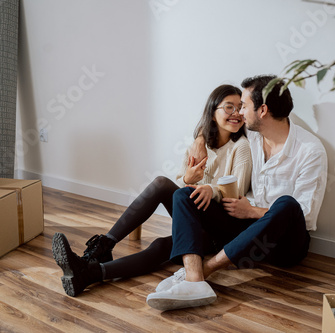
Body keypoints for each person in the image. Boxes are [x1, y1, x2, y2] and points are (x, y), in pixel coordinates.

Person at [146, 75, 328, 311]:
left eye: (244, 106)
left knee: (287, 204)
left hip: (284, 246)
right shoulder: (251, 135)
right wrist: (199, 139)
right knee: (184, 195)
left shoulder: (310, 150)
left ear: (262, 110)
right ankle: (194, 280)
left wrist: (252, 211)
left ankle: (205, 270)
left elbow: (306, 217)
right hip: (245, 235)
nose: (239, 113)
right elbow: (217, 119)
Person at [51, 84, 252, 297]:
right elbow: (181, 194)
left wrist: (210, 189)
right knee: (161, 184)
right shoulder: (198, 146)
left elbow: (236, 189)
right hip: (197, 217)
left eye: (240, 107)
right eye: (229, 107)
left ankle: (93, 265)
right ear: (213, 113)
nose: (237, 113)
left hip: (223, 227)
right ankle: (98, 255)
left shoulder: (241, 147)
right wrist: (187, 178)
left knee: (160, 245)